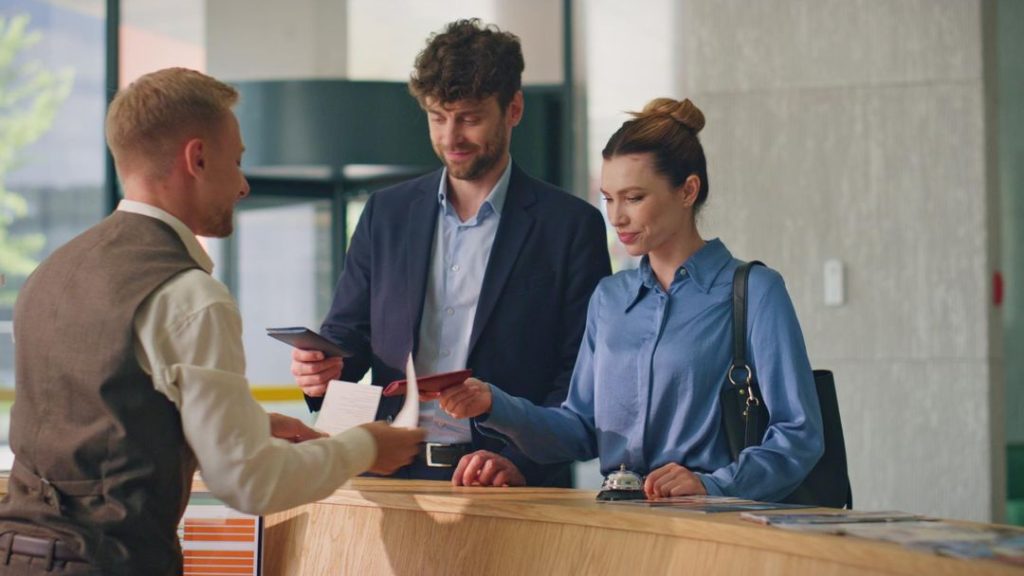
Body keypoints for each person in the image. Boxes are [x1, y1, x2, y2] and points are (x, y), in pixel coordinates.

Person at [0, 67, 424, 575]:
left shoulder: (51, 272)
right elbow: (250, 483)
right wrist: (368, 446)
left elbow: (95, 428)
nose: (244, 185)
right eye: (238, 161)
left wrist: (246, 425)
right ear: (197, 158)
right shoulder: (189, 296)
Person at [439, 97, 824, 501]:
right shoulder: (609, 298)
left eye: (634, 198)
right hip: (621, 525)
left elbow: (799, 434)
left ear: (688, 190)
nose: (616, 216)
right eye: (608, 198)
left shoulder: (755, 291)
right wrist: (493, 404)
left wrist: (712, 485)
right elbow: (581, 431)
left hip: (714, 531)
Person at [290, 19, 610, 487]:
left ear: (514, 109)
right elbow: (348, 342)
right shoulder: (386, 214)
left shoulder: (570, 227)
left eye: (470, 117)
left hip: (510, 484)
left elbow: (579, 376)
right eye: (438, 117)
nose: (450, 136)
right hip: (395, 478)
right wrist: (320, 371)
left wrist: (524, 463)